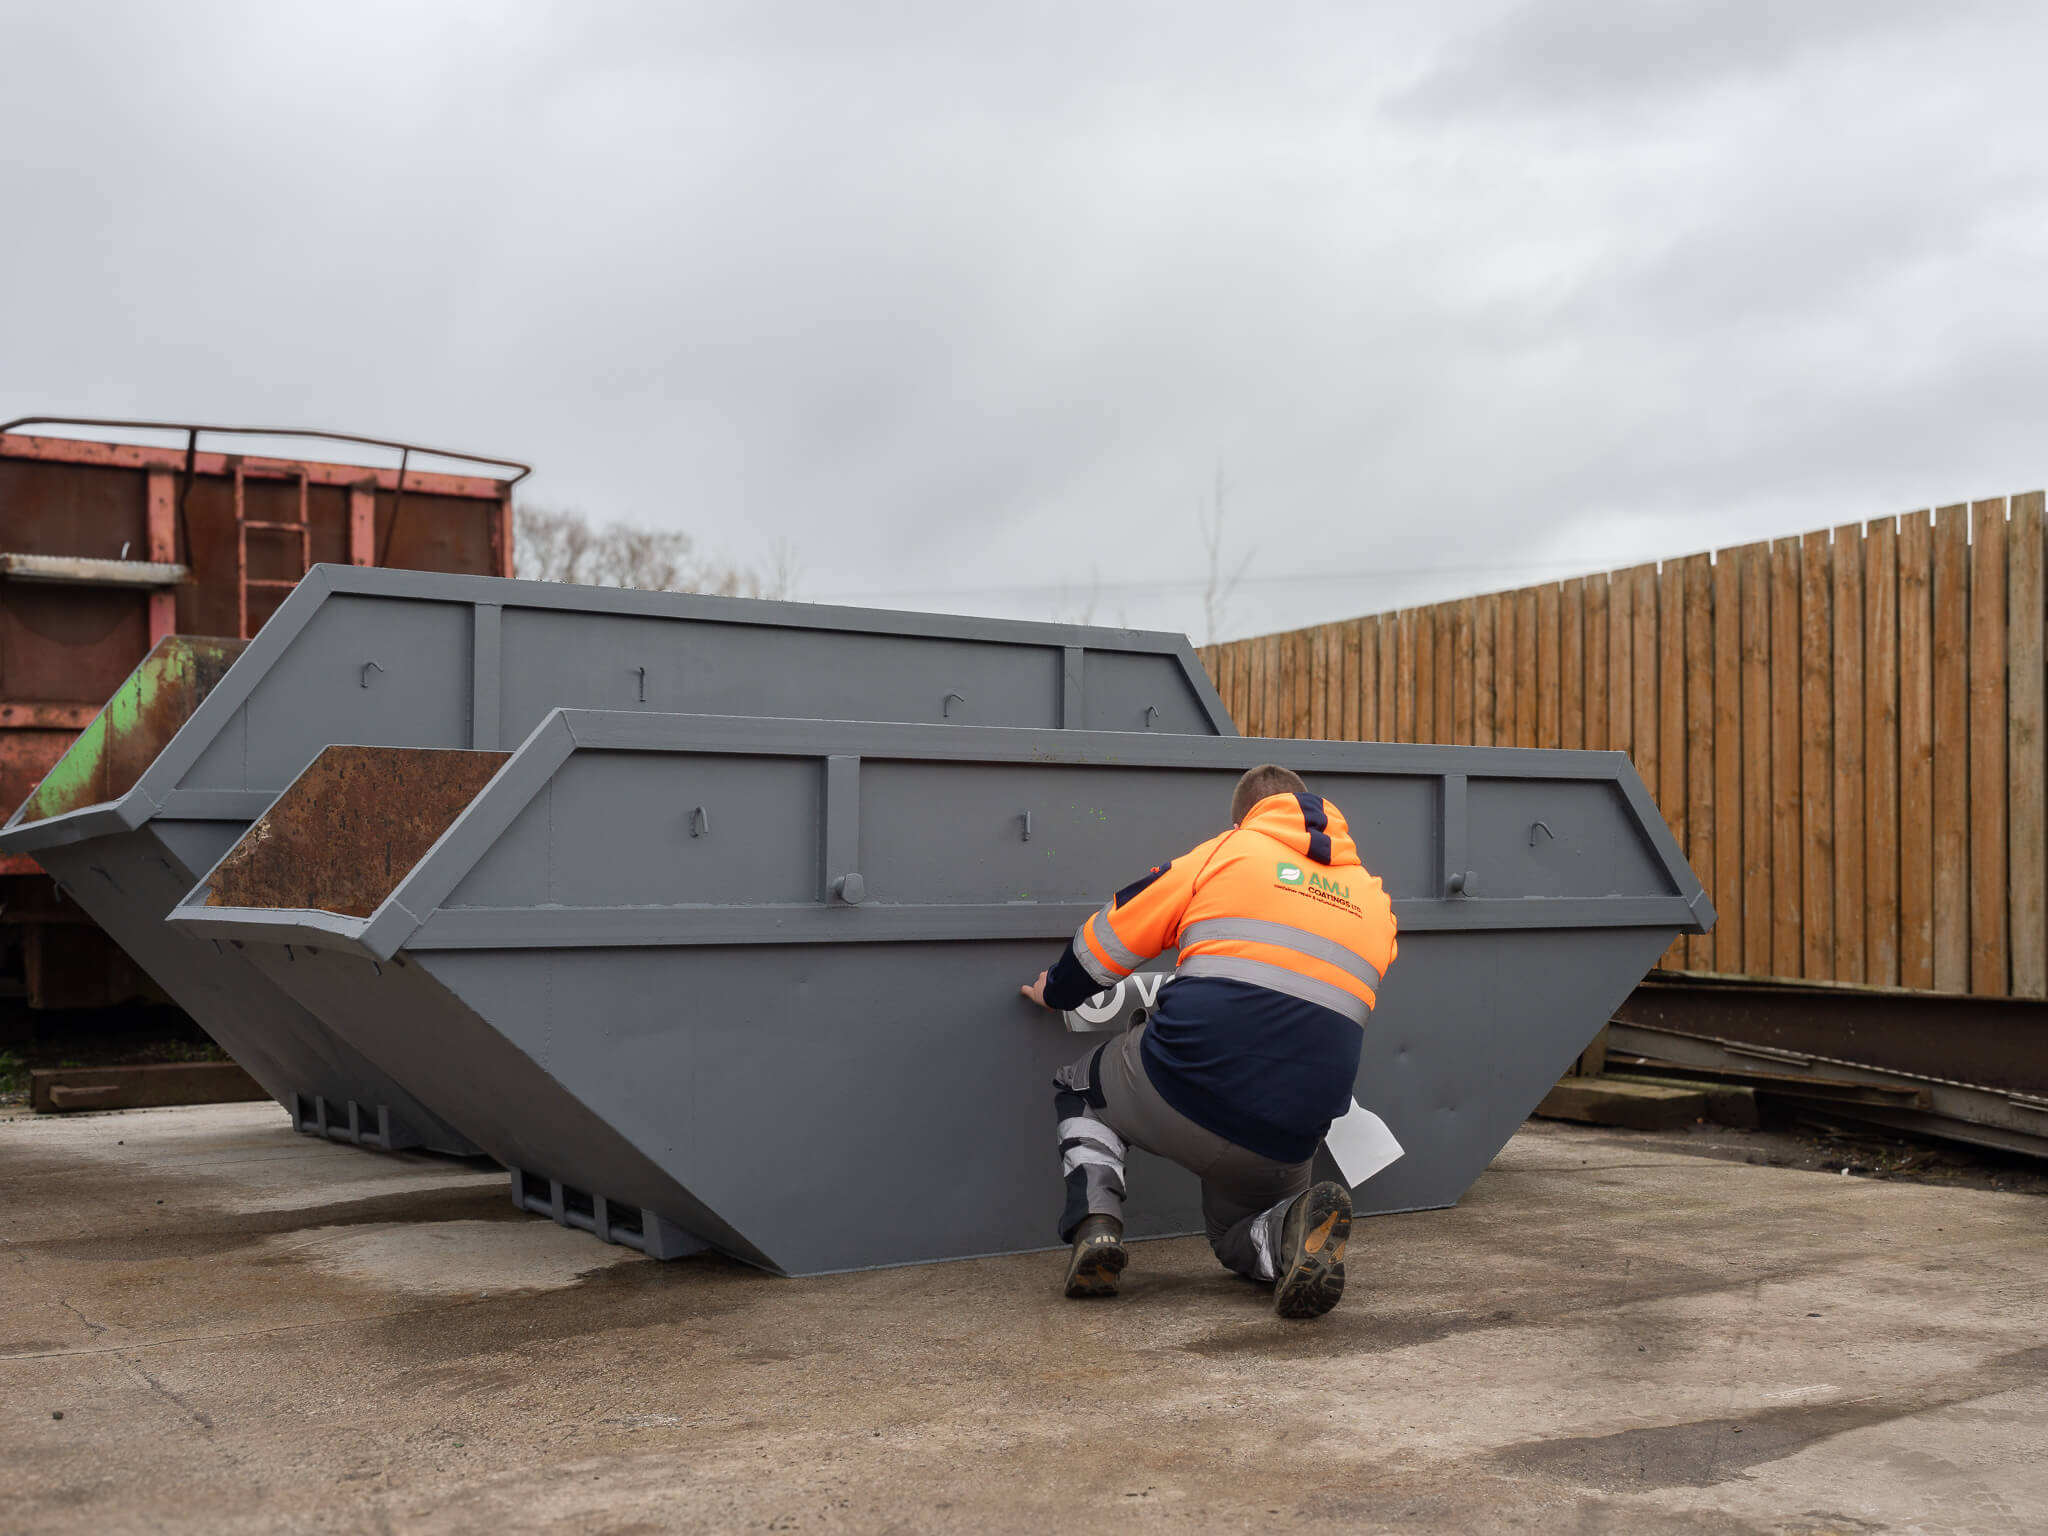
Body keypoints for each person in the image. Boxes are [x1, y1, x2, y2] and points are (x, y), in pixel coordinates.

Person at [1019, 764, 1397, 1320]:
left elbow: (1106, 944)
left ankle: (1096, 1225)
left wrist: (1054, 991)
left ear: (1243, 819)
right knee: (1235, 1233)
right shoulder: (1375, 900)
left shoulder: (1226, 851)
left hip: (1181, 1085)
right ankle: (1289, 1230)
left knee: (1079, 1088)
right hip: (1290, 1131)